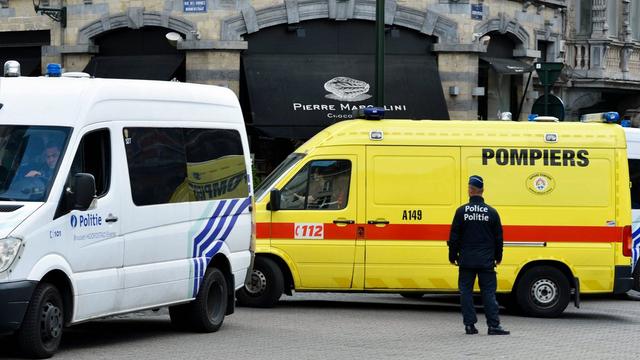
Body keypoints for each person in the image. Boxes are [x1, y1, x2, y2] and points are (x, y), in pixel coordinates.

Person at [447, 175, 510, 336]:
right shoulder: (492, 212)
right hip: (486, 261)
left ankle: (470, 326)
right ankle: (493, 326)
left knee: (466, 292)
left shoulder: (461, 212)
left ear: (470, 190)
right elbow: (499, 238)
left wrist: (452, 255)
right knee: (488, 293)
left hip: (466, 260)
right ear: (482, 190)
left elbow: (454, 237)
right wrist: (498, 256)